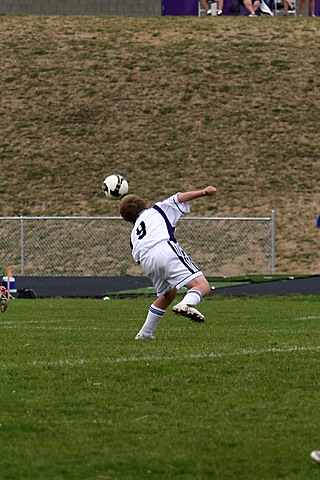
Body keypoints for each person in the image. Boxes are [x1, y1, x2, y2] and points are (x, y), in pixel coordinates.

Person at [120, 186, 217, 340]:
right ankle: (187, 304)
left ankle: (145, 333)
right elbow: (179, 198)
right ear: (143, 204)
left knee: (168, 294)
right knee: (202, 286)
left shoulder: (133, 235)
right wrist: (203, 192)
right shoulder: (157, 209)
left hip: (147, 261)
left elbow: (136, 257)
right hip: (164, 248)